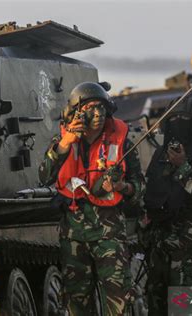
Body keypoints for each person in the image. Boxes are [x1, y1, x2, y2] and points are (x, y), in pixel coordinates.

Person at [39, 82, 144, 315]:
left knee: (119, 300)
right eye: (90, 108)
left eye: (101, 107)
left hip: (110, 234)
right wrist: (65, 144)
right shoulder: (63, 140)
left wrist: (122, 186)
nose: (97, 114)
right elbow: (45, 176)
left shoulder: (121, 139)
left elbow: (139, 186)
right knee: (77, 302)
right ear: (76, 112)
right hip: (74, 234)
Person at [141, 96, 192, 315]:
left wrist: (182, 166)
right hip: (159, 246)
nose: (179, 122)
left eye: (184, 118)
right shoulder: (160, 154)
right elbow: (148, 190)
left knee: (184, 308)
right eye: (174, 118)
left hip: (188, 247)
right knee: (156, 306)